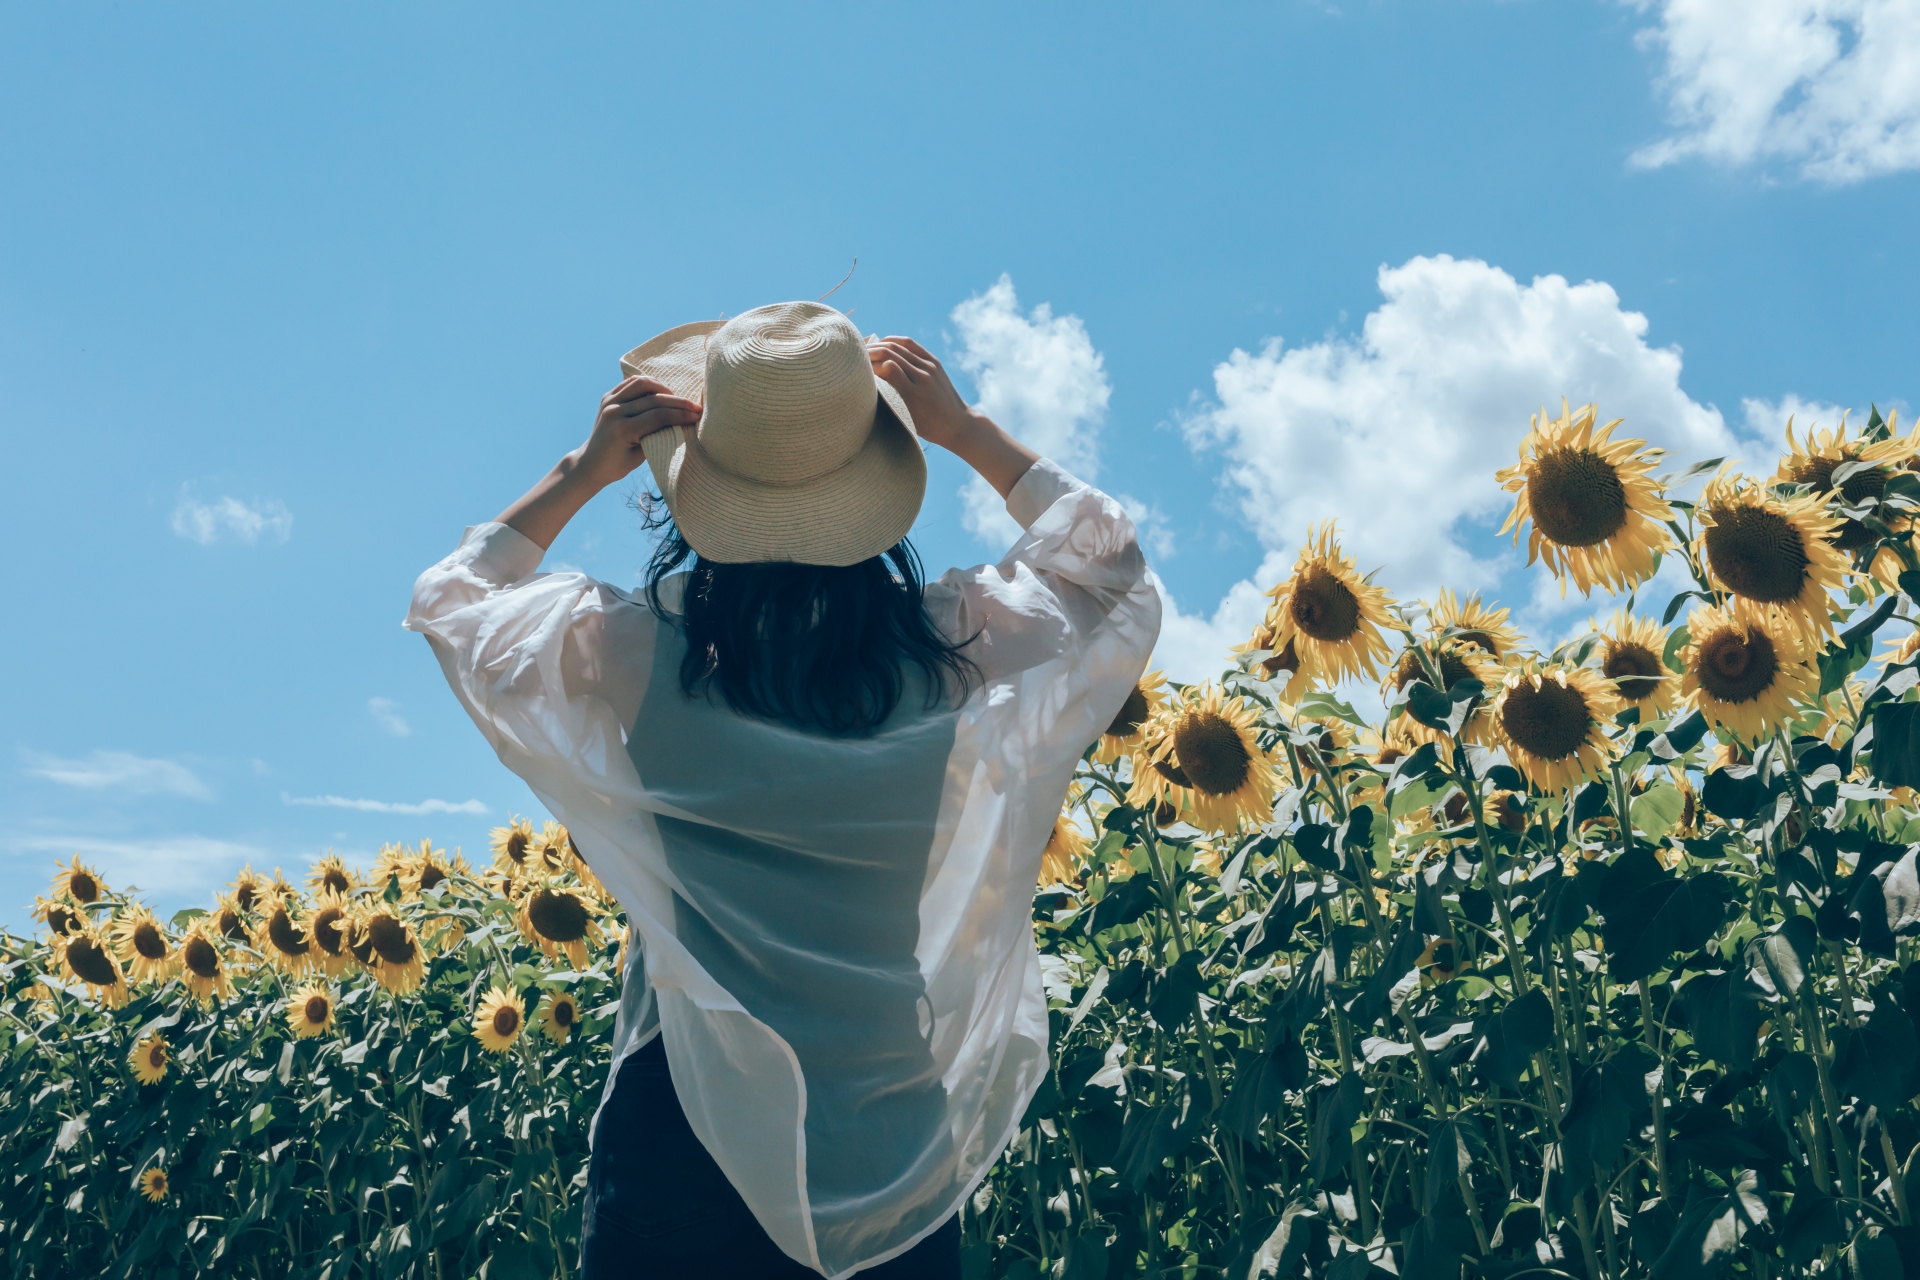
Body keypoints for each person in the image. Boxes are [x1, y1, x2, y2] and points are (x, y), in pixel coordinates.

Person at [407, 301, 1160, 1278]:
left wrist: (582, 469)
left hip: (687, 1110)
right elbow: (1113, 581)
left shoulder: (635, 649)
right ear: (878, 472)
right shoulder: (949, 643)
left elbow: (453, 602)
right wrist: (972, 434)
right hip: (884, 1124)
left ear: (700, 478)